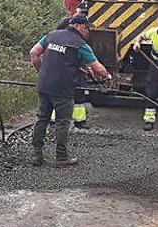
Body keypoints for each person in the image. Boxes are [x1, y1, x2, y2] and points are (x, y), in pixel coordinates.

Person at [29, 15, 110, 167]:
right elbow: (99, 69)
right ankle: (61, 157)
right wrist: (106, 76)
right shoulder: (80, 44)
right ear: (79, 27)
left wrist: (41, 73)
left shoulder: (52, 35)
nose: (88, 32)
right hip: (63, 90)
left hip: (44, 86)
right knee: (62, 122)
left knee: (42, 119)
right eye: (87, 28)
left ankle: (36, 155)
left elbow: (34, 53)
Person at [53, 2, 92, 128]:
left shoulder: (86, 26)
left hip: (77, 61)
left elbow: (86, 47)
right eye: (82, 12)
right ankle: (55, 119)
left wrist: (86, 66)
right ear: (76, 11)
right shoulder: (65, 23)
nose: (84, 14)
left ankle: (79, 120)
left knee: (79, 91)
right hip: (64, 60)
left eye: (86, 13)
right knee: (59, 91)